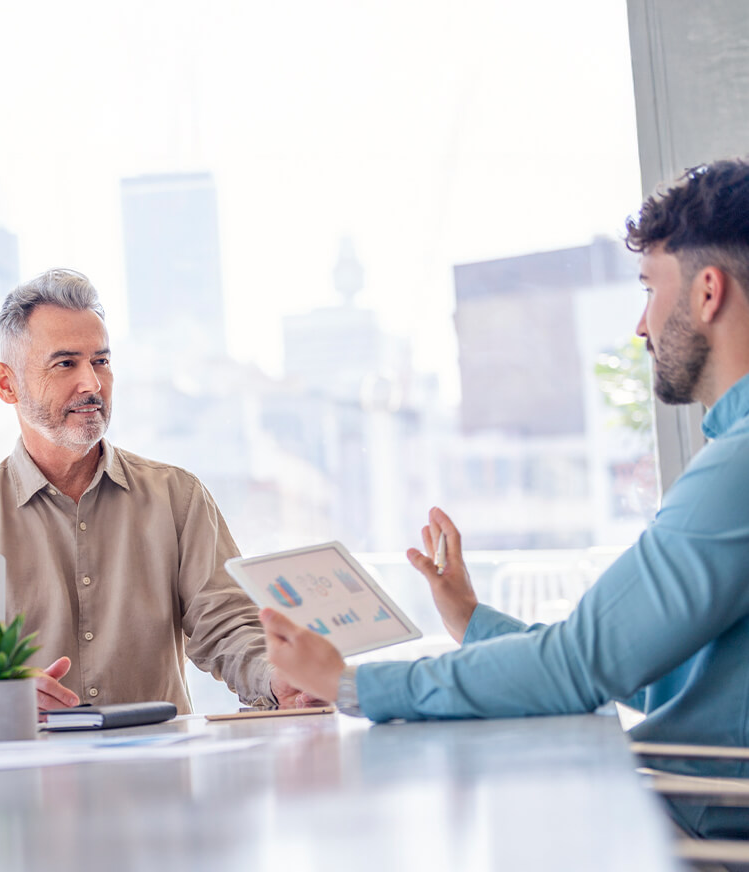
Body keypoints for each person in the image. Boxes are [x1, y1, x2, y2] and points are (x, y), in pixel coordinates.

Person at [258, 158, 749, 837]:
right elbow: (637, 666)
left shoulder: (736, 472)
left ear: (707, 293)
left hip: (690, 838)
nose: (640, 325)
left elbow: (581, 667)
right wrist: (472, 620)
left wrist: (352, 685)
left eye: (648, 289)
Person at [0, 268, 317, 713]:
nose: (92, 384)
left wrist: (275, 677)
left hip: (162, 773)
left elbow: (227, 624)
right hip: (32, 776)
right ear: (5, 383)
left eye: (101, 361)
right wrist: (0, 695)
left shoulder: (177, 497)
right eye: (65, 363)